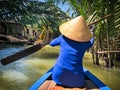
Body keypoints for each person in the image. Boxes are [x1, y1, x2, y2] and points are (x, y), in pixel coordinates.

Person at [49, 16, 94, 90]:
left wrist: (61, 36)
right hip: (77, 81)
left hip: (59, 76)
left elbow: (51, 43)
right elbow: (92, 40)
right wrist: (89, 32)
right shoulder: (86, 43)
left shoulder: (62, 38)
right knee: (81, 82)